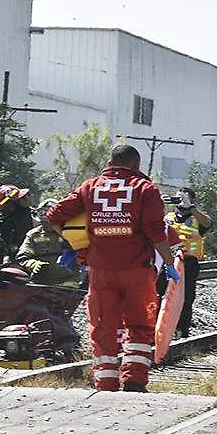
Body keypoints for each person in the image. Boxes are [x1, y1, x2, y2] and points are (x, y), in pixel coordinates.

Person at [45, 144, 177, 392]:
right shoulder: (145, 189)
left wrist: (78, 246)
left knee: (104, 325)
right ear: (136, 165)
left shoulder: (90, 186)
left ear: (111, 162)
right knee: (139, 324)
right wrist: (169, 263)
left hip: (100, 271)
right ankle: (134, 381)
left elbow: (54, 214)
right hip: (137, 270)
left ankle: (106, 383)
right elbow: (156, 232)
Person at [155, 187, 214, 339]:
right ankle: (156, 330)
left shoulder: (198, 218)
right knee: (159, 294)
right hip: (167, 261)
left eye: (184, 198)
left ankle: (182, 332)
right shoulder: (168, 217)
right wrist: (157, 204)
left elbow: (207, 224)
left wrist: (191, 208)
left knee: (185, 298)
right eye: (178, 198)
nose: (180, 201)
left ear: (192, 200)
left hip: (188, 263)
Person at [16, 199, 81, 286]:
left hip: (68, 282)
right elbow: (22, 258)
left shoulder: (69, 232)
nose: (45, 218)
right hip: (41, 282)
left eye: (48, 213)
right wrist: (34, 264)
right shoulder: (33, 235)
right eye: (42, 213)